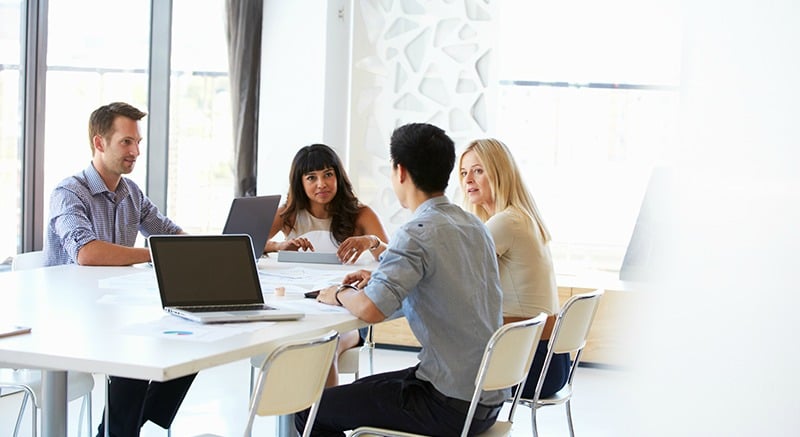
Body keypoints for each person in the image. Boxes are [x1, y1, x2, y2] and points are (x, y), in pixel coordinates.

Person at [294, 123, 506, 436]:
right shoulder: (474, 226)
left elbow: (370, 311)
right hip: (484, 399)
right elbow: (438, 290)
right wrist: (376, 282)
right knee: (344, 397)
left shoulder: (417, 231)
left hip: (447, 403)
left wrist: (338, 293)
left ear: (400, 171)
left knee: (311, 412)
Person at [44, 102, 195, 437]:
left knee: (193, 338)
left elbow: (170, 234)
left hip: (114, 311)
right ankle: (120, 430)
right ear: (99, 143)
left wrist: (208, 249)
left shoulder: (130, 193)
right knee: (138, 351)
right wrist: (153, 254)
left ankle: (119, 430)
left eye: (137, 142)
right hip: (68, 317)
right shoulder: (69, 192)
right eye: (126, 142)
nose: (136, 151)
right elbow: (86, 253)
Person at [265, 143, 389, 386]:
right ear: (300, 182)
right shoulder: (288, 214)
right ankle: (304, 420)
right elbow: (253, 243)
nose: (321, 184)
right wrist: (279, 247)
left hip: (347, 312)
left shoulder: (361, 214)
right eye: (311, 177)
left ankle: (322, 421)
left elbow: (391, 259)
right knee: (294, 346)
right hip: (301, 307)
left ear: (338, 177)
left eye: (328, 175)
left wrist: (371, 241)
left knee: (324, 348)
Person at [458, 138, 569, 399]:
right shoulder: (521, 217)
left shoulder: (506, 222)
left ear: (499, 173)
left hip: (531, 365)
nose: (468, 180)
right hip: (551, 363)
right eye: (464, 173)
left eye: (478, 170)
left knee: (437, 378)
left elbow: (451, 268)